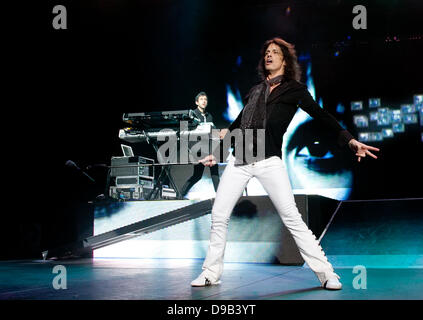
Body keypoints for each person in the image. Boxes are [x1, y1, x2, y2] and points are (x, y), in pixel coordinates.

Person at [191, 37, 380, 290]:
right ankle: (210, 273)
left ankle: (326, 274)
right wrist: (219, 152)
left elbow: (321, 115)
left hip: (269, 161)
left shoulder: (294, 90)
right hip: (241, 160)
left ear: (285, 59)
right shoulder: (255, 91)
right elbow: (238, 124)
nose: (269, 55)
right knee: (219, 215)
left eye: (275, 52)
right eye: (267, 52)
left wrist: (349, 141)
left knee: (292, 218)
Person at [180, 92, 220, 198]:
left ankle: (220, 196)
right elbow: (186, 133)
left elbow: (213, 132)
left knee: (214, 173)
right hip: (198, 150)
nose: (204, 101)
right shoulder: (192, 114)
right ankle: (180, 195)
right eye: (201, 99)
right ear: (197, 102)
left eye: (205, 99)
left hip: (209, 149)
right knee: (197, 175)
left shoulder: (209, 116)